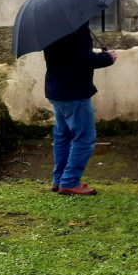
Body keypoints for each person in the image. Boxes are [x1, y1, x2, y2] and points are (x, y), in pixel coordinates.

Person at [43, 21, 118, 196]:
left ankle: (59, 179)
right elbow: (82, 60)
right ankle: (69, 182)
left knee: (63, 136)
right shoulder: (77, 27)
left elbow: (65, 57)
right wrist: (107, 57)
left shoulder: (49, 26)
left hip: (56, 89)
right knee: (84, 138)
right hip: (74, 92)